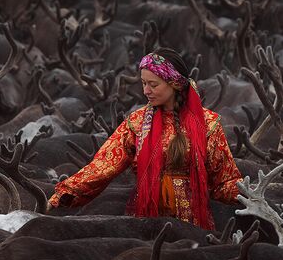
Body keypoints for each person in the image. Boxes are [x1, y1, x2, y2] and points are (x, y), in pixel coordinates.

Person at [47, 48, 242, 230]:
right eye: (143, 83)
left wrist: (249, 196)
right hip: (147, 222)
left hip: (192, 226)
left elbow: (224, 182)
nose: (145, 91)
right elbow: (103, 166)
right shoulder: (136, 123)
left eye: (153, 84)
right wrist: (64, 194)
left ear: (174, 83)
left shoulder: (208, 124)